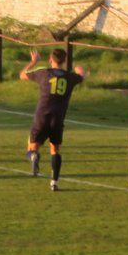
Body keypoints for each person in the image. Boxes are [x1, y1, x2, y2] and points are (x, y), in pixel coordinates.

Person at [20, 48, 87, 192]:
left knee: (32, 148)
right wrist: (80, 70)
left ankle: (33, 157)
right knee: (55, 150)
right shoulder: (70, 77)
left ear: (51, 59)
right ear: (64, 60)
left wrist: (33, 62)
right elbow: (82, 75)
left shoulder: (44, 73)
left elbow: (22, 75)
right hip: (58, 118)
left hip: (42, 116)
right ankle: (54, 183)